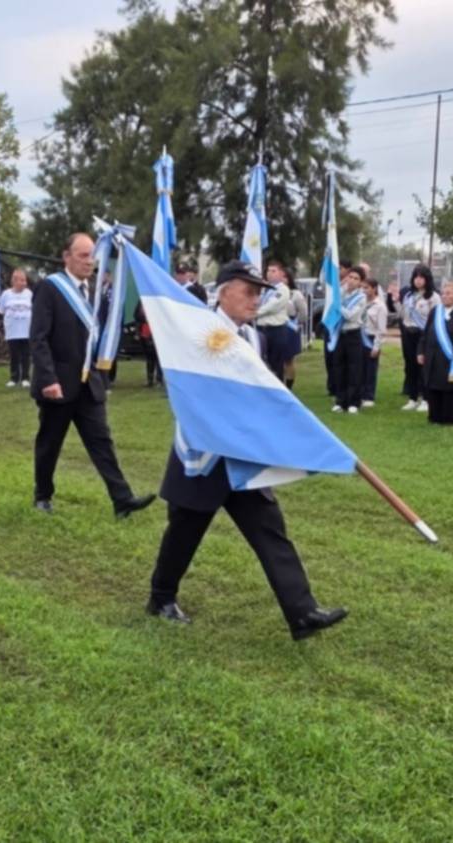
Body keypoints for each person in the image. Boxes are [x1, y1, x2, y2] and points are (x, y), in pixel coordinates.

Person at [145, 260, 349, 641]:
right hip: (204, 456)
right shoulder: (198, 331)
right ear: (224, 292)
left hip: (241, 456)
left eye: (260, 292)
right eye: (249, 291)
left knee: (270, 529)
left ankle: (302, 612)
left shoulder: (255, 338)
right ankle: (161, 598)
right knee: (184, 532)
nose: (257, 299)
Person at [30, 232, 155, 517]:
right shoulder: (50, 288)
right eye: (83, 255)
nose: (90, 262)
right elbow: (38, 338)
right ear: (67, 257)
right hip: (59, 384)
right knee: (50, 442)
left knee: (101, 442)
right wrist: (48, 379)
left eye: (92, 256)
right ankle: (42, 495)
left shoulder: (92, 291)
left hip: (88, 383)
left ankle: (122, 499)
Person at [417, 280, 453, 425]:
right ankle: (433, 417)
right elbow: (426, 333)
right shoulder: (436, 311)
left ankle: (448, 419)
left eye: (448, 293)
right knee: (433, 387)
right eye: (443, 293)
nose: (444, 296)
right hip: (432, 356)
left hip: (451, 359)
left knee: (448, 389)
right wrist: (421, 351)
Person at [398, 265, 437, 412]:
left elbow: (435, 319)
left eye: (421, 277)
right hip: (409, 334)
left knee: (423, 367)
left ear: (427, 279)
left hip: (424, 335)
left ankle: (426, 399)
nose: (418, 280)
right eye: (416, 276)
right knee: (411, 367)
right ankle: (412, 398)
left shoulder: (433, 297)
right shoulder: (408, 296)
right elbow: (402, 315)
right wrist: (395, 301)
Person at [330, 264, 368, 413]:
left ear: (360, 282)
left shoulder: (361, 297)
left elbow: (351, 315)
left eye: (356, 278)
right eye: (350, 277)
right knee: (339, 367)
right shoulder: (341, 293)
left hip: (353, 334)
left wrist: (338, 306)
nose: (352, 280)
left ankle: (354, 402)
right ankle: (340, 401)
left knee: (354, 369)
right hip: (340, 334)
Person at [253, 259, 296, 382]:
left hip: (275, 330)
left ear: (281, 274)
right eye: (268, 271)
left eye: (274, 271)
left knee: (275, 364)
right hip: (262, 329)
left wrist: (255, 313)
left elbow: (272, 306)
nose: (270, 273)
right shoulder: (266, 289)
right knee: (262, 363)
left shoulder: (283, 289)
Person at [0, 267, 33, 387]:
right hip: (12, 330)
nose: (24, 283)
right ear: (14, 281)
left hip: (26, 330)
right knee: (14, 354)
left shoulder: (29, 294)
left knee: (26, 354)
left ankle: (25, 378)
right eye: (22, 280)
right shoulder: (6, 294)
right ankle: (14, 378)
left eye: (25, 280)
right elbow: (2, 310)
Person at [358, 273, 388, 408]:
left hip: (371, 338)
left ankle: (369, 396)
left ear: (374, 289)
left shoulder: (380, 306)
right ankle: (359, 393)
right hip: (359, 336)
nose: (364, 291)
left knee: (370, 368)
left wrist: (376, 346)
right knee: (359, 367)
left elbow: (381, 329)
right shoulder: (361, 302)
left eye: (367, 288)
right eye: (363, 288)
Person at [284, 274, 308, 388]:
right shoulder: (270, 291)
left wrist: (297, 323)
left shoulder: (295, 294)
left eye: (284, 277)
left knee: (288, 359)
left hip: (290, 326)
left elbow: (303, 312)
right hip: (275, 325)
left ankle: (289, 386)